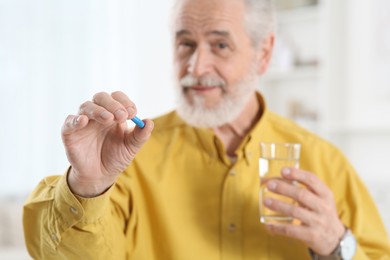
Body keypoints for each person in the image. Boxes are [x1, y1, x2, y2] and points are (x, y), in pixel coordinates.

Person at [23, 0, 390, 259]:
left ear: (264, 54)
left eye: (219, 44)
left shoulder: (324, 161)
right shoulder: (126, 158)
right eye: (186, 44)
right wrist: (87, 186)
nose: (196, 66)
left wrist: (335, 246)